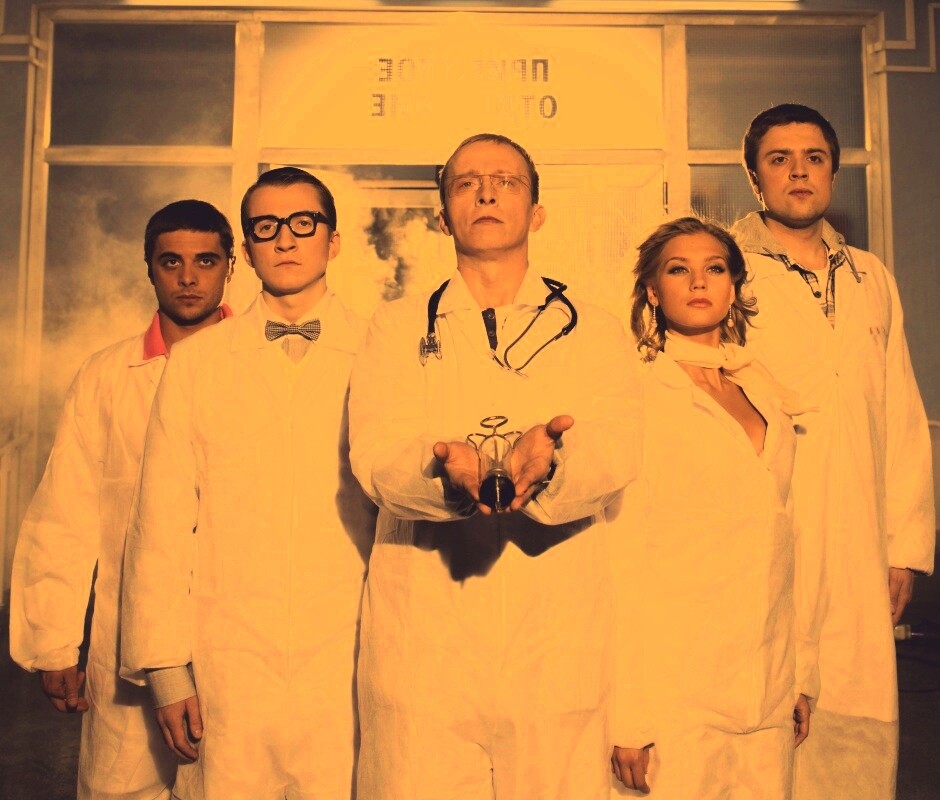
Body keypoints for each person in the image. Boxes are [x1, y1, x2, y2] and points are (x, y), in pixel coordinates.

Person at [348, 133, 640, 799]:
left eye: (506, 181)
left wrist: (553, 468)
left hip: (555, 634)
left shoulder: (593, 329)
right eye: (467, 183)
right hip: (425, 639)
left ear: (537, 212)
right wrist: (445, 477)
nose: (486, 193)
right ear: (442, 216)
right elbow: (375, 455)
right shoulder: (394, 329)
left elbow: (620, 448)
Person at [120, 168, 374, 799]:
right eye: (266, 227)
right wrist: (166, 670)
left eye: (302, 223)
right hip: (227, 658)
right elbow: (160, 525)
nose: (284, 239)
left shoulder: (381, 352)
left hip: (352, 651)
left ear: (334, 241)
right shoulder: (197, 363)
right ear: (247, 251)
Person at [729, 104, 935, 800]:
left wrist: (904, 546)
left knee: (854, 712)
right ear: (755, 177)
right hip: (767, 526)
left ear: (834, 173)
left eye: (813, 158)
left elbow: (900, 411)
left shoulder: (870, 276)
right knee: (762, 717)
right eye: (779, 159)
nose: (798, 172)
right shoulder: (725, 272)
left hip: (858, 531)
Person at [9, 199, 235, 800]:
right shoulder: (107, 376)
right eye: (171, 262)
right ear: (149, 268)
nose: (188, 277)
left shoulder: (261, 369)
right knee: (120, 788)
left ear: (230, 267)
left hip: (238, 634)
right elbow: (66, 510)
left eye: (206, 260)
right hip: (125, 637)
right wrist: (53, 639)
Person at [609, 216, 823, 799]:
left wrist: (800, 672)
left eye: (715, 268)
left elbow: (791, 542)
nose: (699, 281)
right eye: (679, 269)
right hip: (677, 689)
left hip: (766, 685)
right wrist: (629, 712)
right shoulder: (639, 394)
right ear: (654, 292)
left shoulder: (765, 394)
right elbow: (622, 557)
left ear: (734, 288)